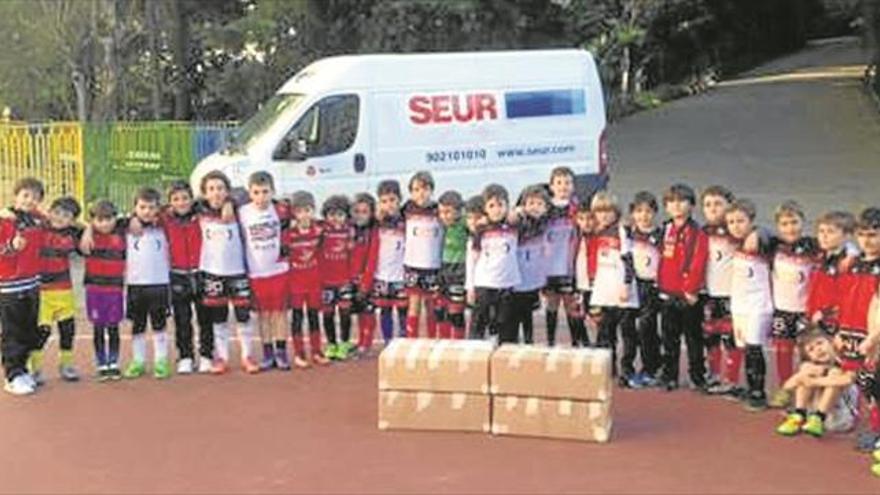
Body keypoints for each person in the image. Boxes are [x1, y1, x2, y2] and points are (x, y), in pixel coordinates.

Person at [197, 171, 258, 375]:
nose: (216, 193)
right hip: (213, 273)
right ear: (204, 194)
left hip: (238, 272)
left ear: (227, 191)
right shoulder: (199, 212)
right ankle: (222, 357)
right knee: (219, 318)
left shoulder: (239, 210)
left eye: (221, 188)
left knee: (243, 316)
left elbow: (246, 194)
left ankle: (247, 356)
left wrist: (231, 201)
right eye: (211, 189)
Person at [835, 207, 880, 453]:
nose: (867, 240)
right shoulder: (853, 264)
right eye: (862, 235)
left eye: (873, 235)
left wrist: (874, 338)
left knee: (875, 384)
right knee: (863, 382)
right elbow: (844, 298)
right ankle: (872, 425)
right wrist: (840, 331)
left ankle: (877, 430)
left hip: (873, 335)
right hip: (852, 331)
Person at [768, 200, 820, 408]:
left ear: (803, 222)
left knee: (808, 352)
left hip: (804, 311)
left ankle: (808, 389)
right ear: (778, 227)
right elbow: (755, 232)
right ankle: (786, 387)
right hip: (782, 309)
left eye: (794, 222)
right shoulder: (773, 246)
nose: (790, 228)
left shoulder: (813, 247)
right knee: (783, 351)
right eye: (785, 224)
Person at [657, 183, 709, 392]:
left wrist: (692, 289)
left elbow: (699, 261)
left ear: (692, 205)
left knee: (694, 338)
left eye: (681, 201)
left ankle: (697, 376)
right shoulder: (665, 229)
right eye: (672, 202)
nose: (676, 206)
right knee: (669, 339)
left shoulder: (697, 233)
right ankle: (670, 375)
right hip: (667, 292)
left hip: (689, 295)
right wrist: (659, 285)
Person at [239, 172, 292, 371]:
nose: (261, 197)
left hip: (279, 269)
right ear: (249, 193)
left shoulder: (281, 209)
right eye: (256, 192)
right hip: (256, 272)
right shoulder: (243, 212)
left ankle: (281, 351)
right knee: (263, 314)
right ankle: (267, 352)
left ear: (273, 191)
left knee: (279, 313)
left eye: (265, 192)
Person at [727, 199, 773, 411]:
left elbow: (773, 237)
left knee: (754, 347)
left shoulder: (760, 241)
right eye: (731, 222)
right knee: (744, 347)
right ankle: (749, 385)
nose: (736, 226)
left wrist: (759, 233)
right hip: (739, 305)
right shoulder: (732, 241)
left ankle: (758, 392)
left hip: (758, 304)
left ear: (751, 221)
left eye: (740, 221)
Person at [587, 192, 639, 383]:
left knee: (627, 333)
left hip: (622, 291)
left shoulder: (622, 231)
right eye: (600, 212)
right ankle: (608, 369)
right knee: (605, 333)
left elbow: (628, 260)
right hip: (603, 290)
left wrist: (626, 285)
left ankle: (627, 368)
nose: (604, 215)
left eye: (608, 211)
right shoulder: (596, 232)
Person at [0, 178, 45, 395]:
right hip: (9, 287)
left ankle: (23, 369)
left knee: (29, 330)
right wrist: (10, 246)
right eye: (25, 195)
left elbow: (63, 223)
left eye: (35, 197)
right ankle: (12, 375)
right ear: (15, 196)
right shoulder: (3, 220)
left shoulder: (38, 219)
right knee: (13, 332)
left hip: (32, 284)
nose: (30, 200)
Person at [163, 181, 213, 374]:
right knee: (182, 320)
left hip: (201, 273)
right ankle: (185, 356)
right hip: (178, 275)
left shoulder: (202, 215)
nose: (181, 202)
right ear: (170, 203)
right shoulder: (165, 219)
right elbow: (142, 214)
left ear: (192, 199)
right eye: (176, 199)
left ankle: (207, 354)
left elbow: (231, 200)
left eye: (185, 198)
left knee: (205, 318)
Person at [121, 188, 172, 380]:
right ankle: (138, 361)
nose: (147, 211)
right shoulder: (126, 228)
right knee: (138, 325)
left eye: (152, 207)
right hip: (136, 286)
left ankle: (161, 361)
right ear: (134, 208)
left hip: (159, 284)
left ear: (158, 209)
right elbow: (104, 221)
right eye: (142, 207)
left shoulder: (164, 226)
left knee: (159, 325)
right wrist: (132, 219)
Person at [31, 196, 83, 383]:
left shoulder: (74, 234)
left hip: (64, 290)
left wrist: (86, 228)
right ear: (50, 212)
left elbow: (90, 231)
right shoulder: (40, 226)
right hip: (42, 290)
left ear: (73, 220)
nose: (60, 217)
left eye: (66, 215)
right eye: (57, 212)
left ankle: (66, 364)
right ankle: (35, 368)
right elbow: (29, 210)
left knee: (67, 329)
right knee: (42, 331)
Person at [699, 186, 741, 397]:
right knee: (710, 336)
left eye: (718, 204)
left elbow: (762, 235)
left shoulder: (737, 231)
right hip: (709, 293)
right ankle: (714, 374)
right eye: (708, 205)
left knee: (731, 337)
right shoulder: (702, 233)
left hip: (732, 294)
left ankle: (731, 379)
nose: (713, 209)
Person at [776, 330, 853, 438]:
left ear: (831, 342)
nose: (818, 350)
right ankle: (798, 415)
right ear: (809, 357)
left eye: (820, 343)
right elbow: (787, 387)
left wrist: (813, 382)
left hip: (839, 418)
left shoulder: (845, 361)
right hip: (810, 417)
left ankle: (819, 417)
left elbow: (848, 379)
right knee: (807, 369)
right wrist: (802, 376)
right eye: (811, 350)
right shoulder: (811, 366)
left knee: (834, 373)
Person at [469, 184, 520, 343]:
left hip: (507, 283)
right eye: (491, 206)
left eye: (500, 205)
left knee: (505, 322)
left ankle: (505, 353)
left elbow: (531, 218)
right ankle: (475, 349)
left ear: (507, 206)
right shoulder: (481, 229)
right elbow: (473, 259)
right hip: (485, 282)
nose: (497, 210)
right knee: (479, 320)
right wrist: (470, 287)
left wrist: (517, 213)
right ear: (485, 209)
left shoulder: (515, 226)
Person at [286, 190, 329, 368]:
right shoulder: (289, 234)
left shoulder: (319, 230)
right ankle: (299, 353)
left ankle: (317, 351)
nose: (305, 215)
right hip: (296, 284)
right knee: (297, 318)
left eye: (308, 210)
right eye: (300, 211)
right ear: (294, 213)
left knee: (313, 317)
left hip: (313, 283)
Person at [402, 171, 444, 338]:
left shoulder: (438, 210)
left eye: (425, 189)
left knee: (431, 304)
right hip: (413, 264)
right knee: (414, 304)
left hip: (433, 265)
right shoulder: (407, 209)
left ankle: (431, 339)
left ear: (432, 190)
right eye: (416, 189)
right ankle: (412, 340)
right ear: (411, 192)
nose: (421, 193)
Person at [543, 167, 581, 347]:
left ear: (573, 186)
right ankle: (550, 342)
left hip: (569, 266)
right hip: (549, 267)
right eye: (558, 183)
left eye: (567, 182)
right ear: (551, 186)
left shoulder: (577, 208)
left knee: (570, 305)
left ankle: (576, 343)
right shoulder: (545, 208)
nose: (563, 186)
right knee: (551, 304)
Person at [630, 191, 663, 387]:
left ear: (655, 213)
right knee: (634, 330)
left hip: (654, 286)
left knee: (646, 327)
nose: (644, 215)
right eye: (639, 211)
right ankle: (638, 364)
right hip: (634, 285)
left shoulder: (661, 235)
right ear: (633, 213)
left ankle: (650, 368)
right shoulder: (628, 234)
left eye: (648, 211)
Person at [806, 211, 857, 335]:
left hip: (833, 322)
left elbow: (846, 296)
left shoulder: (848, 263)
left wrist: (824, 313)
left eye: (830, 232)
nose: (824, 236)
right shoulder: (819, 254)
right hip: (814, 317)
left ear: (847, 235)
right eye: (821, 231)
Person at [513, 185, 550, 345]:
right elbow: (508, 219)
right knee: (513, 315)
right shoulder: (519, 221)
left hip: (532, 279)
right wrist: (516, 212)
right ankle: (511, 343)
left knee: (528, 315)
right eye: (531, 203)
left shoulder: (544, 221)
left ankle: (529, 342)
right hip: (516, 278)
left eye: (539, 204)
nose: (535, 207)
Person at [319, 195, 355, 360]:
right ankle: (332, 343)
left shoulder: (350, 231)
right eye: (331, 214)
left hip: (344, 281)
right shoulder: (321, 231)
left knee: (345, 313)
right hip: (326, 282)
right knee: (327, 314)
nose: (336, 218)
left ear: (346, 216)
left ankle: (345, 343)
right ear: (325, 216)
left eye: (340, 214)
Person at [373, 180, 408, 344]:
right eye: (384, 201)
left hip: (400, 276)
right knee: (385, 309)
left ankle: (403, 339)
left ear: (400, 200)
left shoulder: (406, 220)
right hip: (382, 275)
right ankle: (388, 341)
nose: (389, 205)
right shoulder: (376, 223)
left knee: (403, 310)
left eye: (393, 200)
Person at [435, 191, 468, 339]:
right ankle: (443, 341)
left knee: (456, 311)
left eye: (448, 212)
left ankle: (458, 342)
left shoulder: (464, 225)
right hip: (443, 270)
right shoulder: (442, 225)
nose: (444, 216)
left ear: (458, 211)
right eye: (441, 212)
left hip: (458, 271)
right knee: (440, 309)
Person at [350, 193, 379, 354]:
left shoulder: (372, 232)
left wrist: (366, 283)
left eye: (364, 211)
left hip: (366, 280)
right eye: (357, 211)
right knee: (358, 312)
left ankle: (366, 343)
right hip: (350, 279)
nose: (360, 215)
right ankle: (360, 340)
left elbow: (372, 258)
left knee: (367, 311)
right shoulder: (349, 229)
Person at [573, 203, 594, 348]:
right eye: (582, 219)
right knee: (578, 318)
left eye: (589, 218)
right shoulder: (574, 238)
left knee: (597, 318)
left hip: (596, 286)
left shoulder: (598, 237)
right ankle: (583, 344)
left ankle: (601, 347)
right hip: (579, 285)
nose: (586, 223)